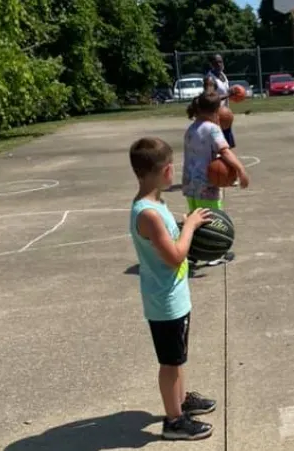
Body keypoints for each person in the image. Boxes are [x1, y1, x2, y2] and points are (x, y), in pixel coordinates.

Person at [128, 137, 217, 441]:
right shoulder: (148, 213)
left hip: (174, 296)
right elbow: (175, 255)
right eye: (172, 167)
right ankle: (174, 421)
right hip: (164, 301)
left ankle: (181, 401)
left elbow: (167, 242)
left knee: (178, 356)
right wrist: (190, 226)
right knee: (169, 362)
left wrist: (181, 224)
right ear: (166, 170)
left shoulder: (155, 205)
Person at [182, 92, 249, 266]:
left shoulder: (191, 128)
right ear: (216, 111)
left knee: (195, 219)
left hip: (190, 183)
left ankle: (193, 252)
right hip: (207, 183)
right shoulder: (212, 129)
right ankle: (215, 254)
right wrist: (240, 169)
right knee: (213, 220)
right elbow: (225, 151)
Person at [205, 54, 236, 149]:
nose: (219, 64)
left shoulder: (223, 75)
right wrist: (228, 95)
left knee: (229, 145)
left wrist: (232, 92)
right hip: (215, 116)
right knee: (220, 147)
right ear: (211, 64)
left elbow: (224, 91)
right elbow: (209, 97)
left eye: (220, 61)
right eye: (216, 62)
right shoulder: (210, 79)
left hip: (225, 115)